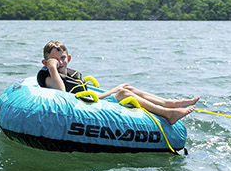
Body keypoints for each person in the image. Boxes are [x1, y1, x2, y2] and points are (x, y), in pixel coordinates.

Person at [37, 41, 198, 122]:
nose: (60, 62)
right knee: (123, 93)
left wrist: (112, 90)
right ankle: (168, 114)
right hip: (81, 108)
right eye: (54, 60)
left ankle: (168, 103)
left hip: (91, 101)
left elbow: (89, 94)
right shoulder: (49, 77)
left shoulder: (71, 73)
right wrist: (52, 68)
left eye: (63, 58)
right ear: (46, 63)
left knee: (124, 87)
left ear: (69, 58)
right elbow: (62, 93)